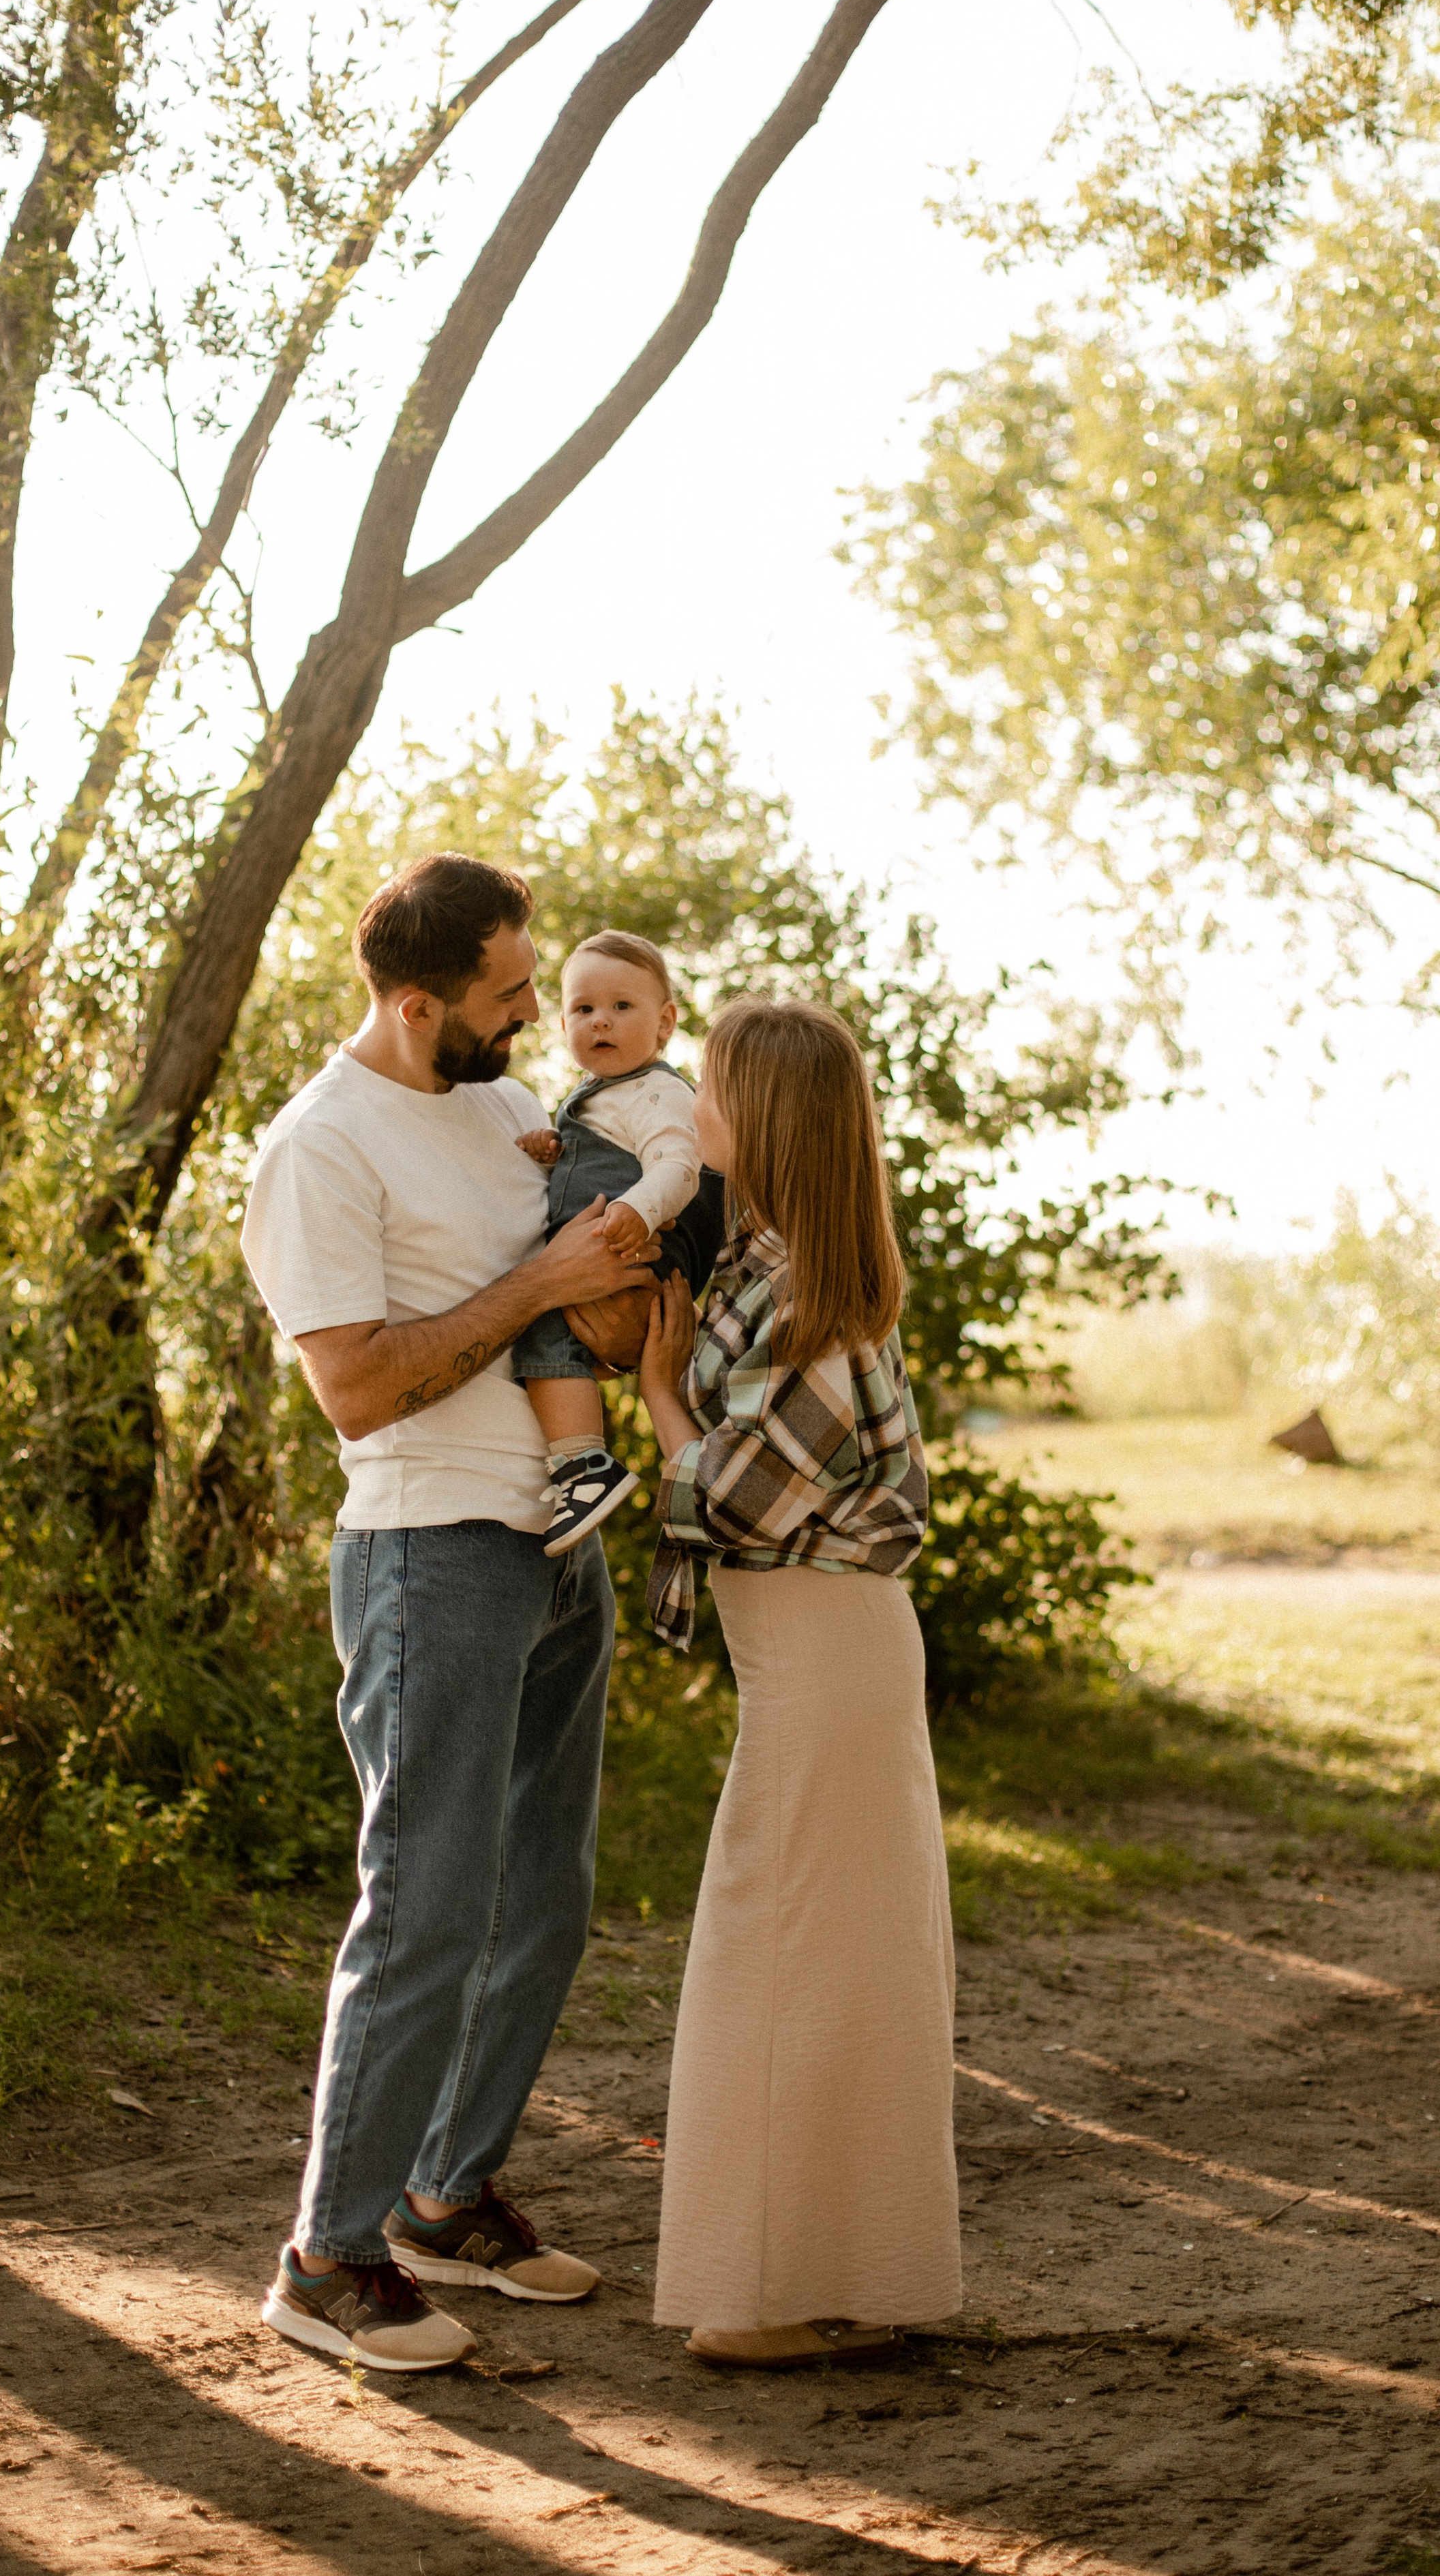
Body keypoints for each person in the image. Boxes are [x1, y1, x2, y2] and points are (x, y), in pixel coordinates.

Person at [239, 851, 661, 2374]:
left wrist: (613, 1283)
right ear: (419, 1007)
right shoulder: (319, 1149)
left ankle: (438, 2193)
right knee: (422, 1913)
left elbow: (595, 1307)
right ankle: (324, 2255)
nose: (534, 1010)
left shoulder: (501, 1106)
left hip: (559, 1543)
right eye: (505, 993)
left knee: (543, 1896)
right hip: (430, 1555)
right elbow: (355, 1386)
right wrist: (536, 1280)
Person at [634, 995, 961, 2369]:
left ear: (759, 1115)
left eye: (705, 1086)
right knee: (812, 1948)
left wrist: (658, 1399)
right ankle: (829, 2272)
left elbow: (743, 1495)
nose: (687, 1108)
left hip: (822, 1650)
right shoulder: (760, 1264)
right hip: (808, 1651)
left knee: (781, 1947)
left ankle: (770, 2286)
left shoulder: (812, 1295)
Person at [509, 930, 720, 1555]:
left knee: (541, 1329)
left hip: (632, 1250)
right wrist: (550, 1151)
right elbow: (589, 1165)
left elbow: (679, 1167)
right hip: (601, 1254)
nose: (601, 1020)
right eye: (583, 1009)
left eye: (622, 1007)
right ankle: (582, 1455)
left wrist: (638, 1208)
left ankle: (582, 1463)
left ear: (665, 1024)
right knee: (556, 1332)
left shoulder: (659, 1090)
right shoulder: (594, 1098)